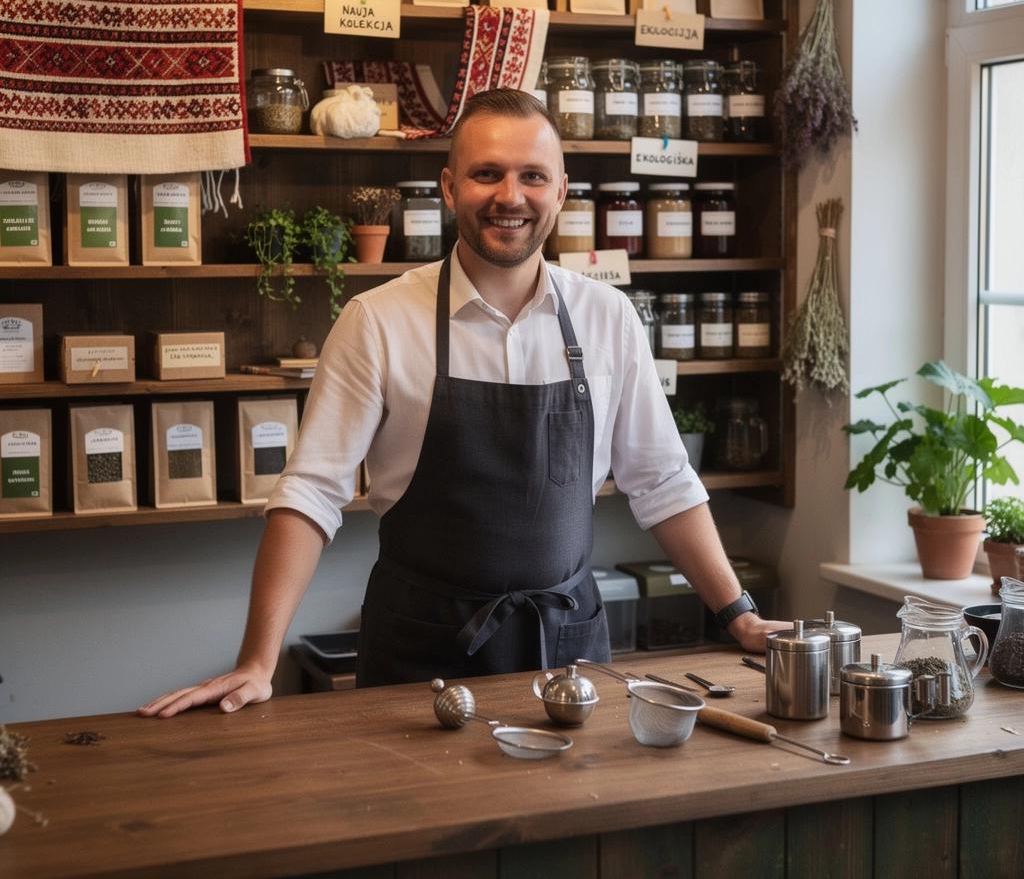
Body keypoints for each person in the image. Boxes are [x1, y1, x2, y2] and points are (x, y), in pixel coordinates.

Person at [139, 88, 785, 719]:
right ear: (450, 188)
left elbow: (663, 481)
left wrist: (739, 615)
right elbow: (310, 494)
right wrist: (258, 661)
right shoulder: (378, 320)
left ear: (562, 191)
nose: (511, 196)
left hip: (568, 660)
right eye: (487, 174)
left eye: (533, 176)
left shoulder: (608, 318)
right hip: (420, 662)